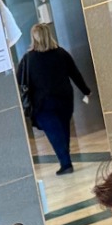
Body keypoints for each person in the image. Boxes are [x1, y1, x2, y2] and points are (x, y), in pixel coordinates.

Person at [17, 22, 91, 174]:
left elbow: (20, 80)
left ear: (34, 38)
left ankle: (66, 163)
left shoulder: (28, 59)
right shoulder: (61, 53)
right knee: (63, 130)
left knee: (55, 133)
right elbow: (75, 74)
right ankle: (66, 161)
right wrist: (86, 90)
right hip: (64, 99)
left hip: (42, 103)